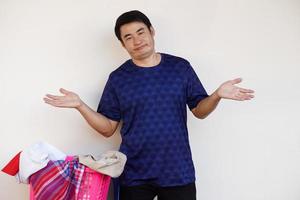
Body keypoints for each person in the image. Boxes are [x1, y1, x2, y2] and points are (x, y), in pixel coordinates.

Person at [43, 10, 254, 200]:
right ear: (122, 44)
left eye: (140, 32)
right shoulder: (118, 78)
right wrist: (80, 105)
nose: (137, 40)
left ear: (152, 31)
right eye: (128, 37)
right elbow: (108, 128)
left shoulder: (180, 67)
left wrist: (216, 95)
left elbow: (199, 110)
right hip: (134, 173)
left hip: (177, 170)